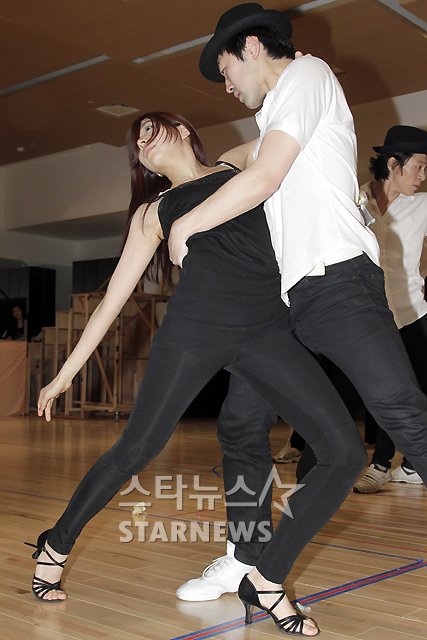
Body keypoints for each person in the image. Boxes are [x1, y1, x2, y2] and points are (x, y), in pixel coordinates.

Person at [31, 110, 370, 636]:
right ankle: (55, 545)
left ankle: (266, 577)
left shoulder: (236, 167)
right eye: (137, 145)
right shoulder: (152, 213)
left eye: (150, 129)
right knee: (136, 449)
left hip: (267, 329)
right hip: (194, 330)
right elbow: (110, 303)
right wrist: (65, 375)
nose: (143, 143)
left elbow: (295, 134)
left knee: (344, 452)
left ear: (184, 130)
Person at [168, 2, 427, 619]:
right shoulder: (283, 108)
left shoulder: (308, 74)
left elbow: (264, 175)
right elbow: (252, 156)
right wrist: (212, 169)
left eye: (226, 69)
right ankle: (248, 558)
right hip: (291, 301)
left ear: (254, 46)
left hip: (339, 284)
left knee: (402, 412)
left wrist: (185, 226)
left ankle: (261, 565)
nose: (227, 85)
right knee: (240, 423)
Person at [353, 125, 427, 493]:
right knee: (383, 392)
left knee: (418, 389)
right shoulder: (354, 200)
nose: (423, 176)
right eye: (419, 167)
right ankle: (381, 464)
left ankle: (409, 465)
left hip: (414, 312)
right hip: (372, 314)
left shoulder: (422, 205)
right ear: (393, 164)